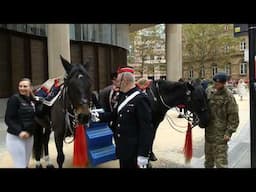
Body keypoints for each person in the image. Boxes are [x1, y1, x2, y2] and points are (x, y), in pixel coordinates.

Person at [92, 72, 154, 168]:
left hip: (134, 151)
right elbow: (114, 115)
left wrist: (143, 154)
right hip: (123, 149)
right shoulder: (123, 96)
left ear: (124, 82)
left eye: (117, 81)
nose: (115, 84)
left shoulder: (140, 99)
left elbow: (146, 129)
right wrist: (97, 116)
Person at [205, 72, 239, 168]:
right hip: (209, 133)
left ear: (224, 83)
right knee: (208, 162)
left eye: (218, 83)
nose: (215, 84)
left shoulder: (228, 97)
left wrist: (229, 133)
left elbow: (234, 116)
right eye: (214, 82)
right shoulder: (209, 91)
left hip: (221, 135)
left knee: (221, 163)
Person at [5, 78, 37, 168]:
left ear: (30, 88)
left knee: (25, 164)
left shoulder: (32, 101)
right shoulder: (14, 99)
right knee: (20, 165)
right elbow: (8, 119)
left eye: (25, 86)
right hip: (16, 137)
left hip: (29, 137)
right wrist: (19, 131)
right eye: (20, 86)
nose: (22, 88)